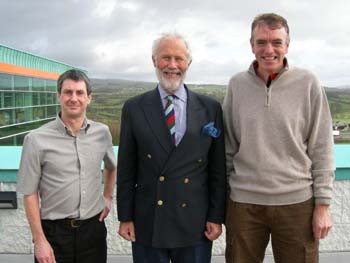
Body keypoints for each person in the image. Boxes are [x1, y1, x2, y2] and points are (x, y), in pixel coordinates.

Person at [223, 13, 335, 263]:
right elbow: (228, 148)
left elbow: (322, 147)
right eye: (261, 42)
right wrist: (224, 201)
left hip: (297, 203)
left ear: (287, 45)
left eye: (276, 42)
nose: (268, 49)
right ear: (251, 45)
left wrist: (323, 205)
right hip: (244, 204)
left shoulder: (308, 83)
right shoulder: (236, 85)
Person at [117, 33, 226, 263]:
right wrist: (125, 217)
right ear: (154, 61)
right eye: (166, 57)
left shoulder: (211, 108)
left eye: (179, 58)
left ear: (189, 63)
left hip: (195, 222)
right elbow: (126, 168)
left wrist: (216, 216)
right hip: (149, 220)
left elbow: (217, 170)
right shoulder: (134, 108)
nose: (172, 65)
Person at [17, 69, 117, 263]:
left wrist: (107, 196)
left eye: (79, 93)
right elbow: (29, 194)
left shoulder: (102, 133)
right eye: (68, 92)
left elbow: (112, 166)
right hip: (54, 235)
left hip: (93, 231)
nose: (74, 98)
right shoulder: (36, 139)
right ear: (59, 96)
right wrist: (39, 240)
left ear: (89, 98)